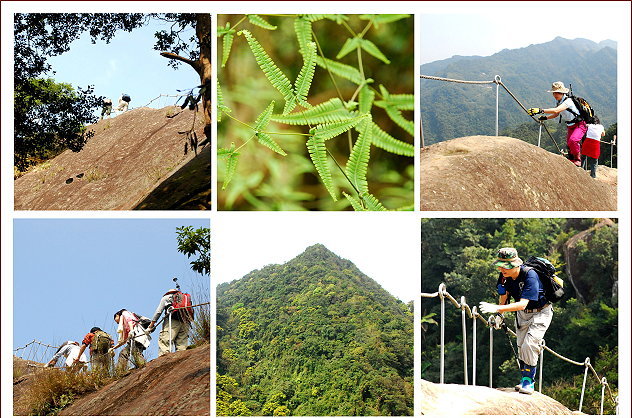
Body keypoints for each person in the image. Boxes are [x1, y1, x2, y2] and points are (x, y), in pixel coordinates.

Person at [479, 248, 553, 395]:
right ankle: (525, 378)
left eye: (506, 266)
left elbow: (523, 303)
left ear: (516, 264)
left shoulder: (529, 276)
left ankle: (528, 382)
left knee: (530, 344)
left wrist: (495, 308)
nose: (502, 269)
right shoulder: (504, 276)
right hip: (522, 314)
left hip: (540, 312)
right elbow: (504, 295)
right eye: (500, 265)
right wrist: (501, 314)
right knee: (521, 346)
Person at [527, 81, 587, 167]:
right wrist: (545, 117)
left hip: (579, 125)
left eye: (557, 93)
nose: (555, 95)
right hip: (570, 125)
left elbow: (556, 110)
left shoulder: (568, 101)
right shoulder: (559, 102)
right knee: (569, 144)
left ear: (562, 93)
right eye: (554, 93)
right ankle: (572, 158)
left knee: (573, 141)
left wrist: (540, 110)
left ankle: (578, 160)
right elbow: (556, 114)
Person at [148, 289, 192, 356]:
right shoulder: (184, 298)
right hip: (185, 321)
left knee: (165, 340)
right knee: (182, 343)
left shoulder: (167, 297)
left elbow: (158, 312)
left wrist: (151, 326)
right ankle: (182, 358)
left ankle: (164, 359)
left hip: (172, 321)